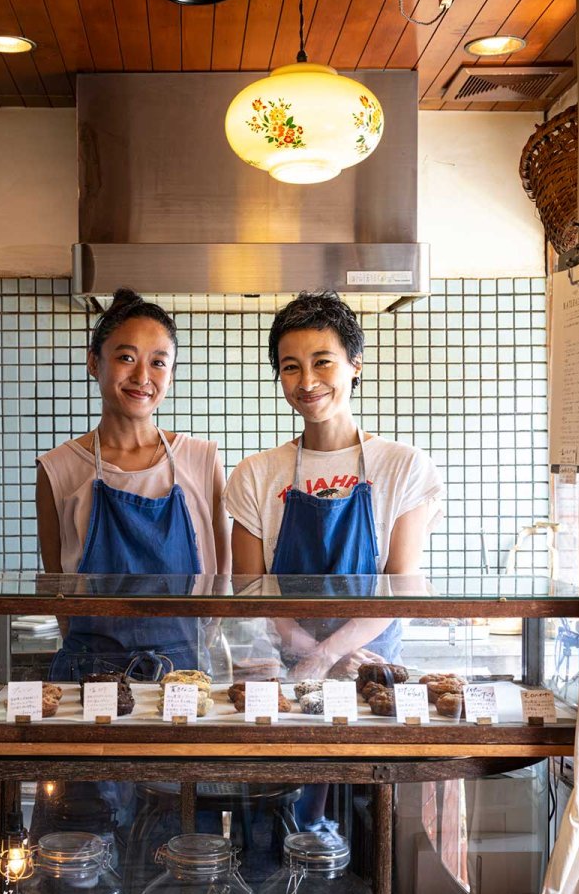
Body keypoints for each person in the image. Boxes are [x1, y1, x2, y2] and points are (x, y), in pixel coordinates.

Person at [225, 290, 444, 680]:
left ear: (355, 364)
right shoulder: (254, 474)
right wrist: (315, 656)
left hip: (372, 670)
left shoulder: (404, 466)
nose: (307, 381)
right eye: (291, 367)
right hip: (285, 673)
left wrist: (329, 655)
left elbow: (403, 586)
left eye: (322, 362)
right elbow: (251, 592)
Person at [36, 288, 230, 681]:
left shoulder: (202, 459)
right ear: (94, 362)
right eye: (126, 357)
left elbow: (223, 573)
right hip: (91, 669)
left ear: (171, 376)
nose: (142, 377)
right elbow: (56, 585)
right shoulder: (57, 468)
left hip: (185, 667)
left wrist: (206, 635)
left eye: (158, 363)